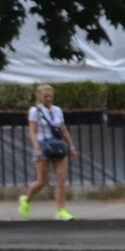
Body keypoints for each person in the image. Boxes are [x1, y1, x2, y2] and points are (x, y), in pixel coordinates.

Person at [20, 85, 74, 219]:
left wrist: (71, 146)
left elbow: (63, 128)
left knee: (61, 178)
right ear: (39, 96)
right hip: (43, 143)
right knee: (42, 180)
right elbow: (32, 130)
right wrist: (37, 147)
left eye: (50, 96)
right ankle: (26, 200)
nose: (48, 99)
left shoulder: (57, 110)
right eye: (45, 96)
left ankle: (61, 210)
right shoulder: (35, 111)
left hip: (57, 144)